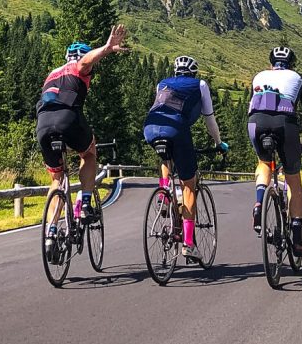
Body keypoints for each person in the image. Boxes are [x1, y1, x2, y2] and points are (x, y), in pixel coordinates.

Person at [37, 25, 129, 253]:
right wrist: (107, 49)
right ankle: (85, 201)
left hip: (42, 124)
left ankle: (50, 232)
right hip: (67, 118)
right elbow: (85, 63)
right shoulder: (78, 68)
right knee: (88, 153)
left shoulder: (51, 75)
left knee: (57, 179)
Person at [143, 55, 228, 261]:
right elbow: (209, 119)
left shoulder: (162, 83)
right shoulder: (200, 84)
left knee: (166, 157)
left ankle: (164, 194)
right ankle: (188, 244)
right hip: (177, 128)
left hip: (150, 127)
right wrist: (218, 143)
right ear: (193, 72)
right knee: (189, 185)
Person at [247, 46, 302, 258]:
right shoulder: (298, 77)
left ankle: (259, 202)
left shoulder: (259, 75)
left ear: (271, 64)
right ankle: (296, 240)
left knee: (264, 162)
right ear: (291, 64)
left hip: (255, 122)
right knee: (293, 180)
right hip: (284, 123)